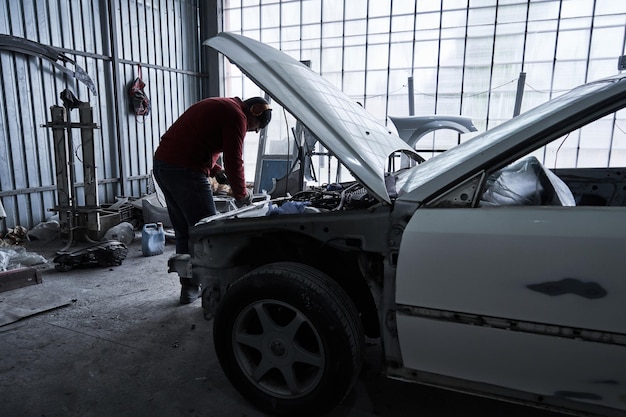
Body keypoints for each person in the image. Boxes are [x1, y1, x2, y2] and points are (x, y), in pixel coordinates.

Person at [152, 96, 272, 304]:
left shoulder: (223, 105)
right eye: (255, 127)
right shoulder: (237, 116)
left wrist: (215, 169)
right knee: (209, 234)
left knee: (185, 231)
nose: (252, 131)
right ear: (255, 112)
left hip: (164, 166)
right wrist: (242, 195)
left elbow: (196, 139)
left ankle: (188, 288)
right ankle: (213, 291)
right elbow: (235, 160)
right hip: (185, 169)